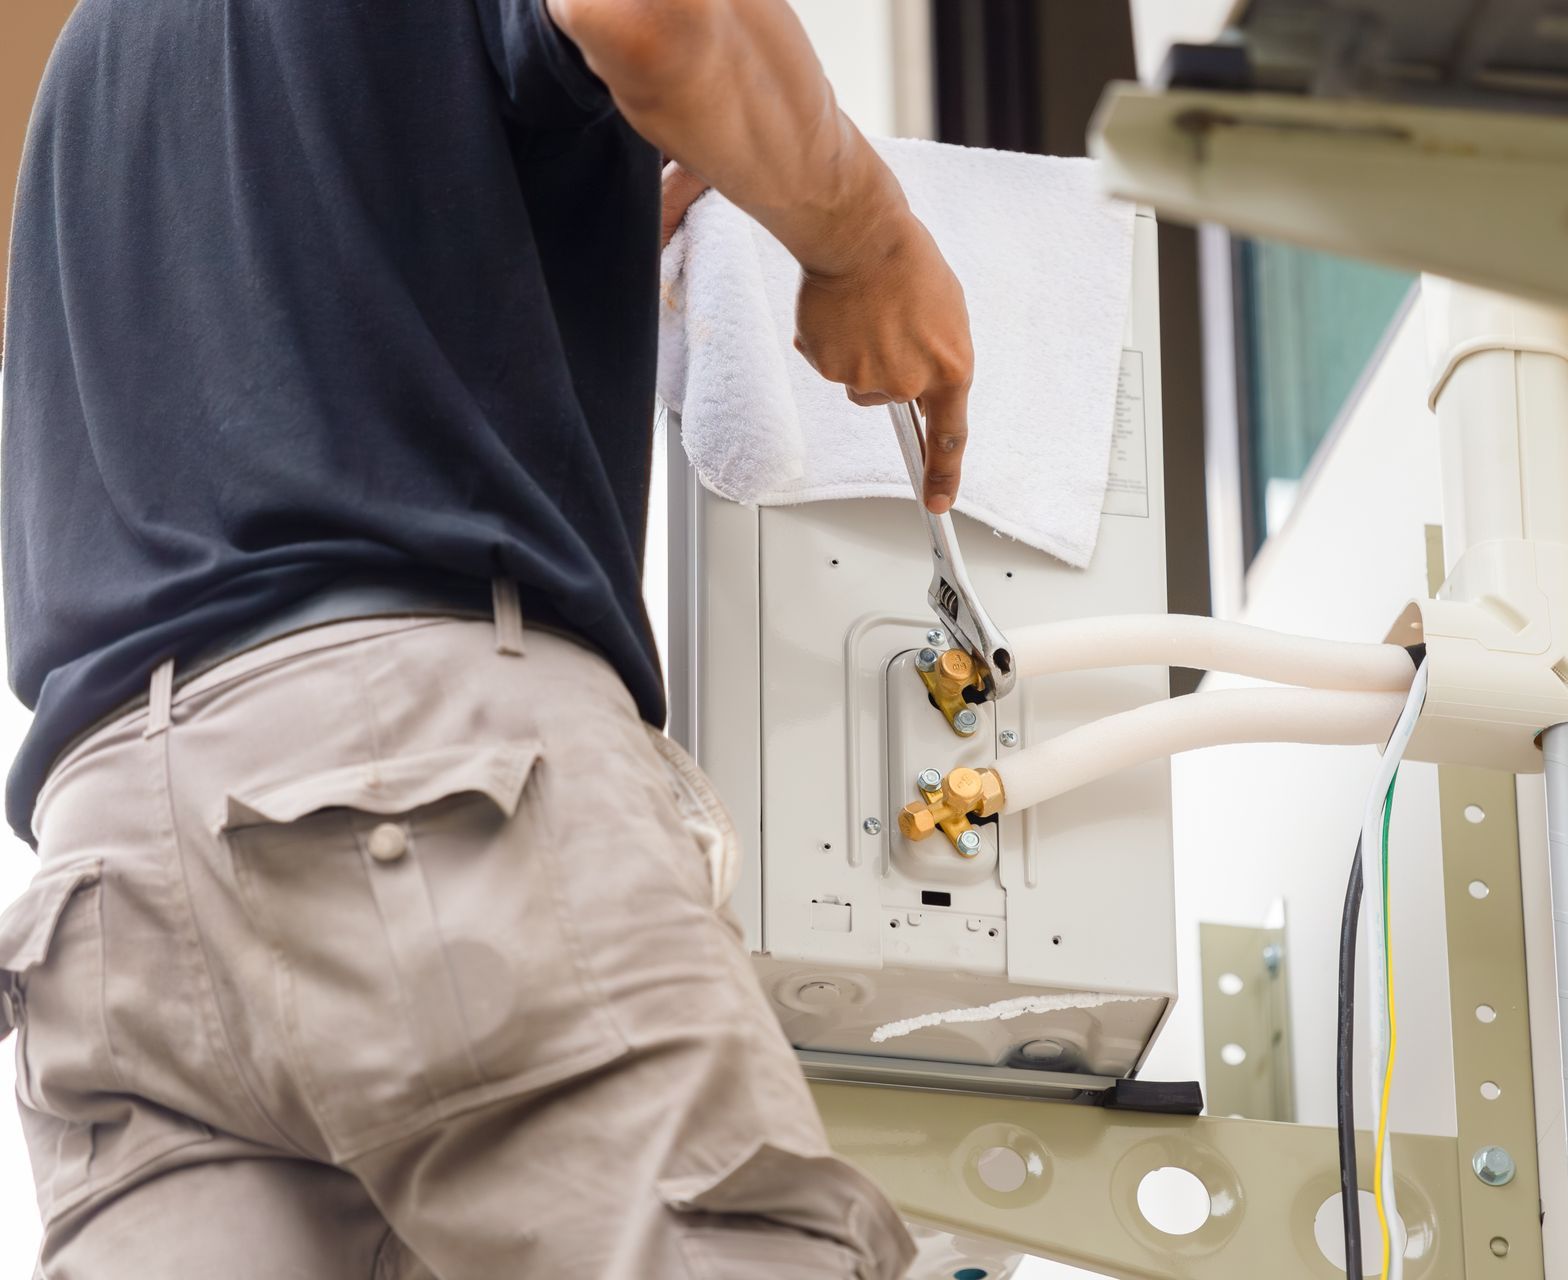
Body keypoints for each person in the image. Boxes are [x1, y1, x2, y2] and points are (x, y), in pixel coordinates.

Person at [0, 0, 972, 1274]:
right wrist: (865, 235)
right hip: (414, 776)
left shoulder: (102, 45)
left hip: (108, 883)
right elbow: (653, 19)